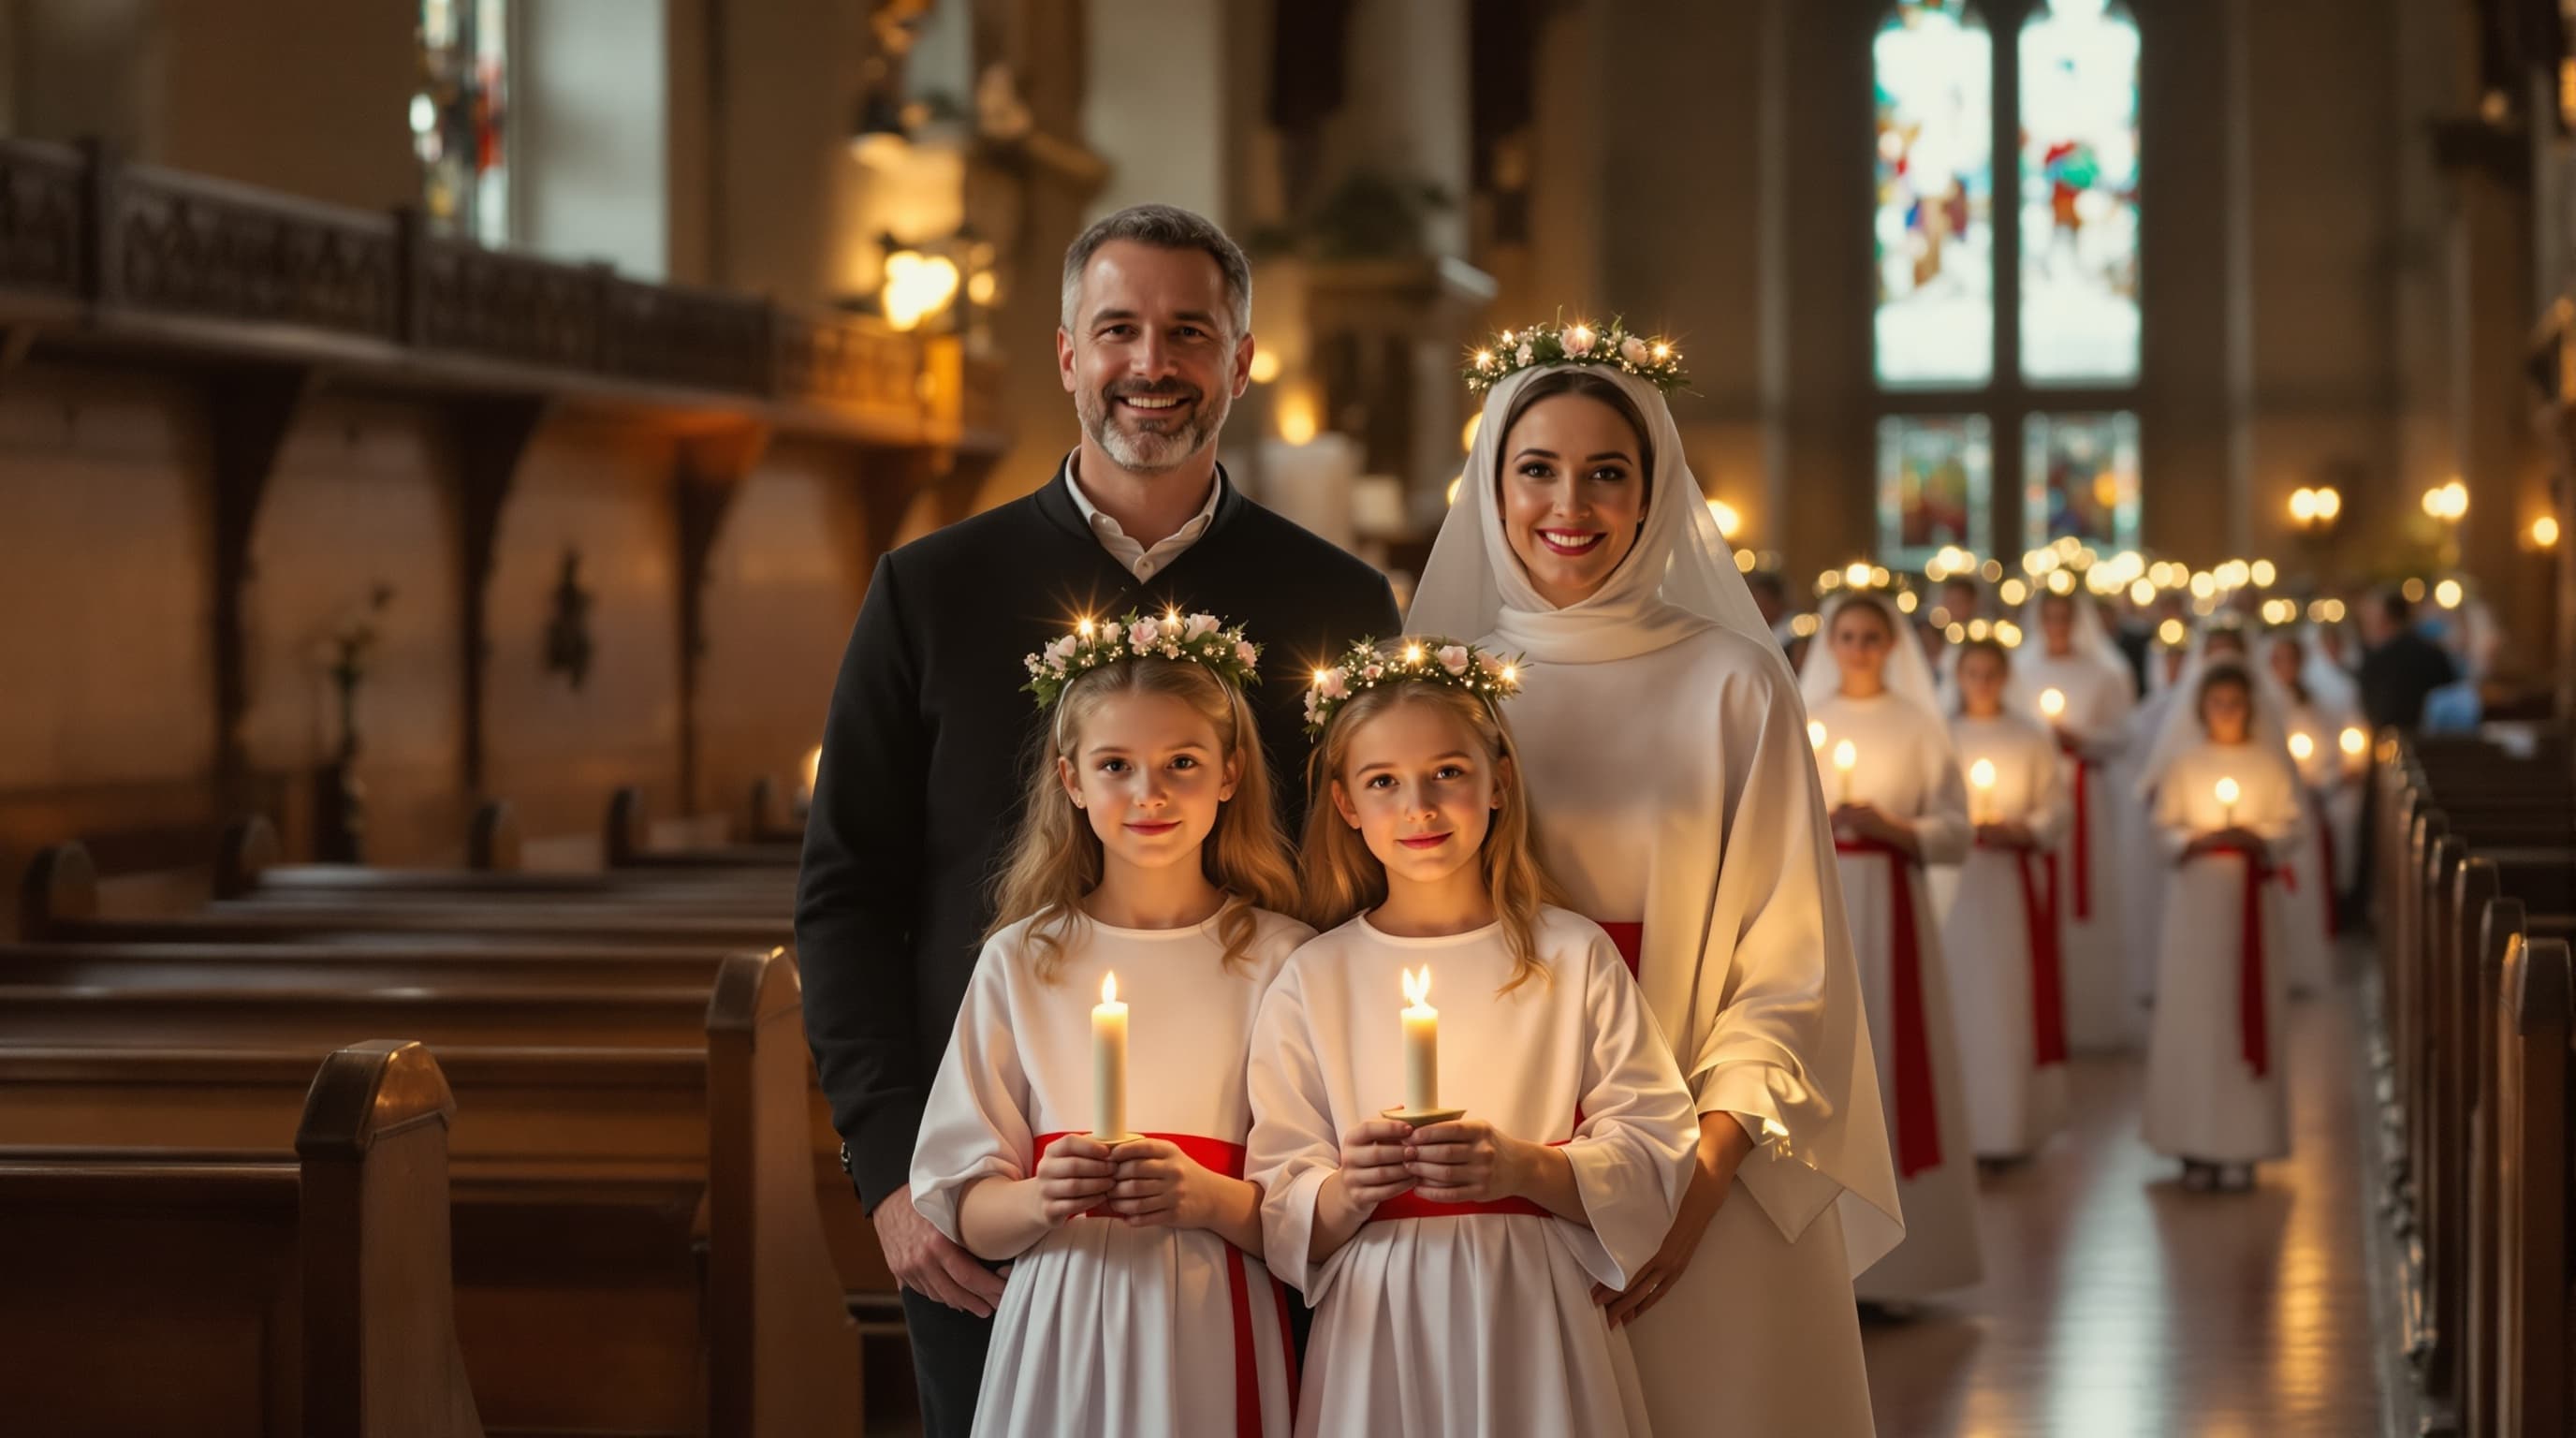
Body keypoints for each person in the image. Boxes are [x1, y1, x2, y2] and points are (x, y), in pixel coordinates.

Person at [796, 203, 1399, 1436]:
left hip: (1256, 1213)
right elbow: (848, 893)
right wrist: (898, 1181)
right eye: (1118, 328)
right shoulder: (929, 590)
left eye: (1190, 332)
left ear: (1239, 360)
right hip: (996, 1200)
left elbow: (1372, 891)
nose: (1152, 364)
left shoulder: (1334, 601)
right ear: (1069, 353)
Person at [1410, 333, 1900, 1436]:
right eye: (1535, 467)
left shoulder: (1735, 684)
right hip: (1506, 1161)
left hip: (1703, 1154)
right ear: (1491, 486)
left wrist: (1691, 1188)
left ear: (1654, 491)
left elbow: (1789, 965)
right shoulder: (1441, 690)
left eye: (1606, 471)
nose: (1567, 502)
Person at [1247, 642, 1698, 1436]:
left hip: (1532, 1300)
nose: (1418, 807)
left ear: (1500, 783)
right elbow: (1279, 1184)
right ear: (1346, 804)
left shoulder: (1570, 954)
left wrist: (1524, 1164)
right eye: (1383, 781)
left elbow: (1656, 1137)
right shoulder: (1314, 976)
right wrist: (1349, 1188)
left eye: (1447, 772)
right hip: (1377, 1313)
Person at [910, 615, 1307, 1435]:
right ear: (1071, 779)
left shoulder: (1282, 959)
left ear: (1231, 774)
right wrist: (1039, 1197)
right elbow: (963, 1201)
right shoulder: (1025, 959)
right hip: (1062, 1312)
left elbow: (1318, 1206)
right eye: (1115, 766)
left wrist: (1211, 1199)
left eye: (1182, 764)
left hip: (1214, 1305)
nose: (1148, 793)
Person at [1801, 591, 1983, 1308]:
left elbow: (1956, 829)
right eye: (1846, 635)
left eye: (1871, 636)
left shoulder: (1918, 726)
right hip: (1823, 912)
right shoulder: (1807, 722)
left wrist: (1895, 828)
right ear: (1831, 644)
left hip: (1896, 908)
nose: (1859, 649)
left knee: (1896, 1066)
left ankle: (1903, 1269)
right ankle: (1829, 1267)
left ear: (1891, 645)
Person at [2136, 661, 2304, 1192]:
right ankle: (2193, 1141)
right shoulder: (2184, 764)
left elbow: (2291, 824)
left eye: (2235, 703)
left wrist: (2260, 839)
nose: (2227, 713)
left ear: (2251, 707)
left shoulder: (2268, 763)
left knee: (2242, 1009)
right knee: (2194, 1015)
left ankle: (2244, 1141)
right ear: (2201, 708)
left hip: (2251, 904)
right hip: (2195, 909)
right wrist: (2195, 841)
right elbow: (2164, 827)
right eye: (2217, 703)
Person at [1942, 638, 2071, 1160]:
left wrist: (2024, 828)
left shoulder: (2030, 737)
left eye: (1991, 672)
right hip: (1955, 885)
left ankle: (2010, 1124)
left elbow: (2057, 807)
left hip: (2009, 885)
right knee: (1961, 997)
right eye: (1972, 672)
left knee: (2008, 998)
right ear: (1958, 677)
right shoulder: (1943, 735)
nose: (1981, 682)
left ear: (2005, 676)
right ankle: (1963, 1127)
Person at [2017, 586, 2140, 1049]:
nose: (2056, 627)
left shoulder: (2105, 672)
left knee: (2084, 899)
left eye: (2063, 618)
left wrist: (2080, 738)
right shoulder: (2022, 668)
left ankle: (2092, 1012)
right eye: (2048, 617)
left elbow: (2124, 734)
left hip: (2088, 795)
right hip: (2033, 794)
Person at [2355, 588, 2457, 731]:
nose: (2366, 627)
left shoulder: (2378, 662)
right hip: (2436, 745)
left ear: (2385, 620)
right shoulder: (2434, 653)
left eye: (2369, 620)